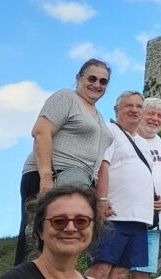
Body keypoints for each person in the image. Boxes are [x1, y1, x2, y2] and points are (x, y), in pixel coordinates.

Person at [15, 58, 113, 265]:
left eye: (103, 82)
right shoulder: (66, 97)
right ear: (78, 78)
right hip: (53, 175)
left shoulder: (98, 115)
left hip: (78, 182)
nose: (97, 85)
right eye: (91, 78)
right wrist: (45, 179)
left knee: (65, 238)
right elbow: (41, 132)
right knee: (37, 237)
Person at [87, 91, 156, 279]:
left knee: (120, 273)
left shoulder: (143, 143)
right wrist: (102, 199)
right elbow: (103, 166)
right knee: (101, 268)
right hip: (114, 213)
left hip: (139, 217)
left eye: (138, 106)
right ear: (116, 110)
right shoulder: (111, 132)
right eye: (128, 106)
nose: (134, 110)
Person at [125, 97, 161, 279]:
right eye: (150, 113)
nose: (154, 119)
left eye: (159, 116)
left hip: (154, 220)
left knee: (143, 272)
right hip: (129, 216)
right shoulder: (129, 139)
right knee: (116, 269)